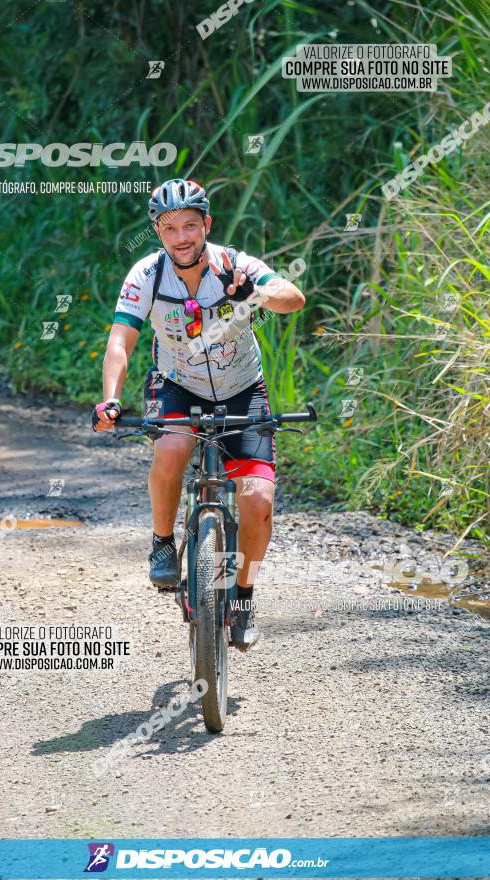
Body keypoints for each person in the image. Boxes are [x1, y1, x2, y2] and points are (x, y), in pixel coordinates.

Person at [92, 178, 305, 651]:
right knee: (172, 446)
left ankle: (244, 595)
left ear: (206, 224)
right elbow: (119, 341)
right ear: (158, 232)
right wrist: (110, 398)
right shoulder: (145, 276)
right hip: (177, 386)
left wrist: (257, 293)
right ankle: (163, 541)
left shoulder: (235, 265)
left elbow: (294, 298)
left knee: (258, 503)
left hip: (241, 389)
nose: (182, 236)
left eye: (191, 225)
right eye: (171, 228)